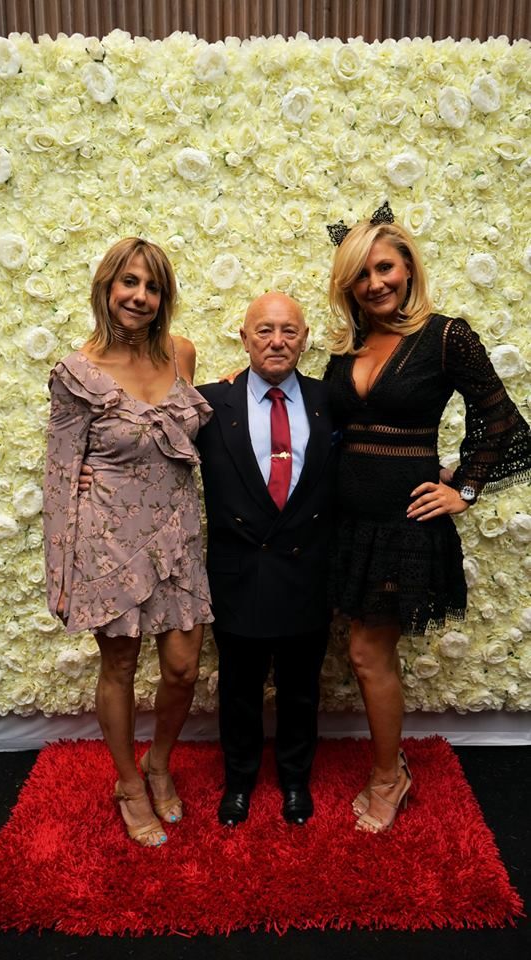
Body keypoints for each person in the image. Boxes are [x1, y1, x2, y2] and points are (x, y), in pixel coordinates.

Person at [324, 202, 531, 834]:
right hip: (345, 523)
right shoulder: (349, 344)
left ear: (409, 267)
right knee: (362, 651)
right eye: (360, 274)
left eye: (384, 268)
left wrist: (463, 488)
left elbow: (502, 421)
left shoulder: (445, 336)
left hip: (401, 524)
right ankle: (391, 766)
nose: (374, 283)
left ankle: (390, 776)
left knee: (367, 652)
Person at [44, 237, 213, 848]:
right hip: (108, 541)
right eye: (129, 283)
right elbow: (61, 472)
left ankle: (159, 763)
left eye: (153, 287)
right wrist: (61, 573)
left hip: (178, 538)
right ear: (107, 288)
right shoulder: (77, 373)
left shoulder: (181, 354)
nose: (140, 296)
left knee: (183, 668)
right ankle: (128, 784)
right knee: (118, 664)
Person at [196, 292, 338, 826]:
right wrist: (93, 471)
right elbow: (148, 444)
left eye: (289, 331)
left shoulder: (331, 400)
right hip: (239, 574)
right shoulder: (210, 403)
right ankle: (239, 782)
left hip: (306, 571)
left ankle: (295, 781)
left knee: (301, 691)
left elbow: (380, 446)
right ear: (244, 338)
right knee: (239, 691)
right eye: (264, 330)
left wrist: (450, 476)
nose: (277, 341)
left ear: (305, 339)